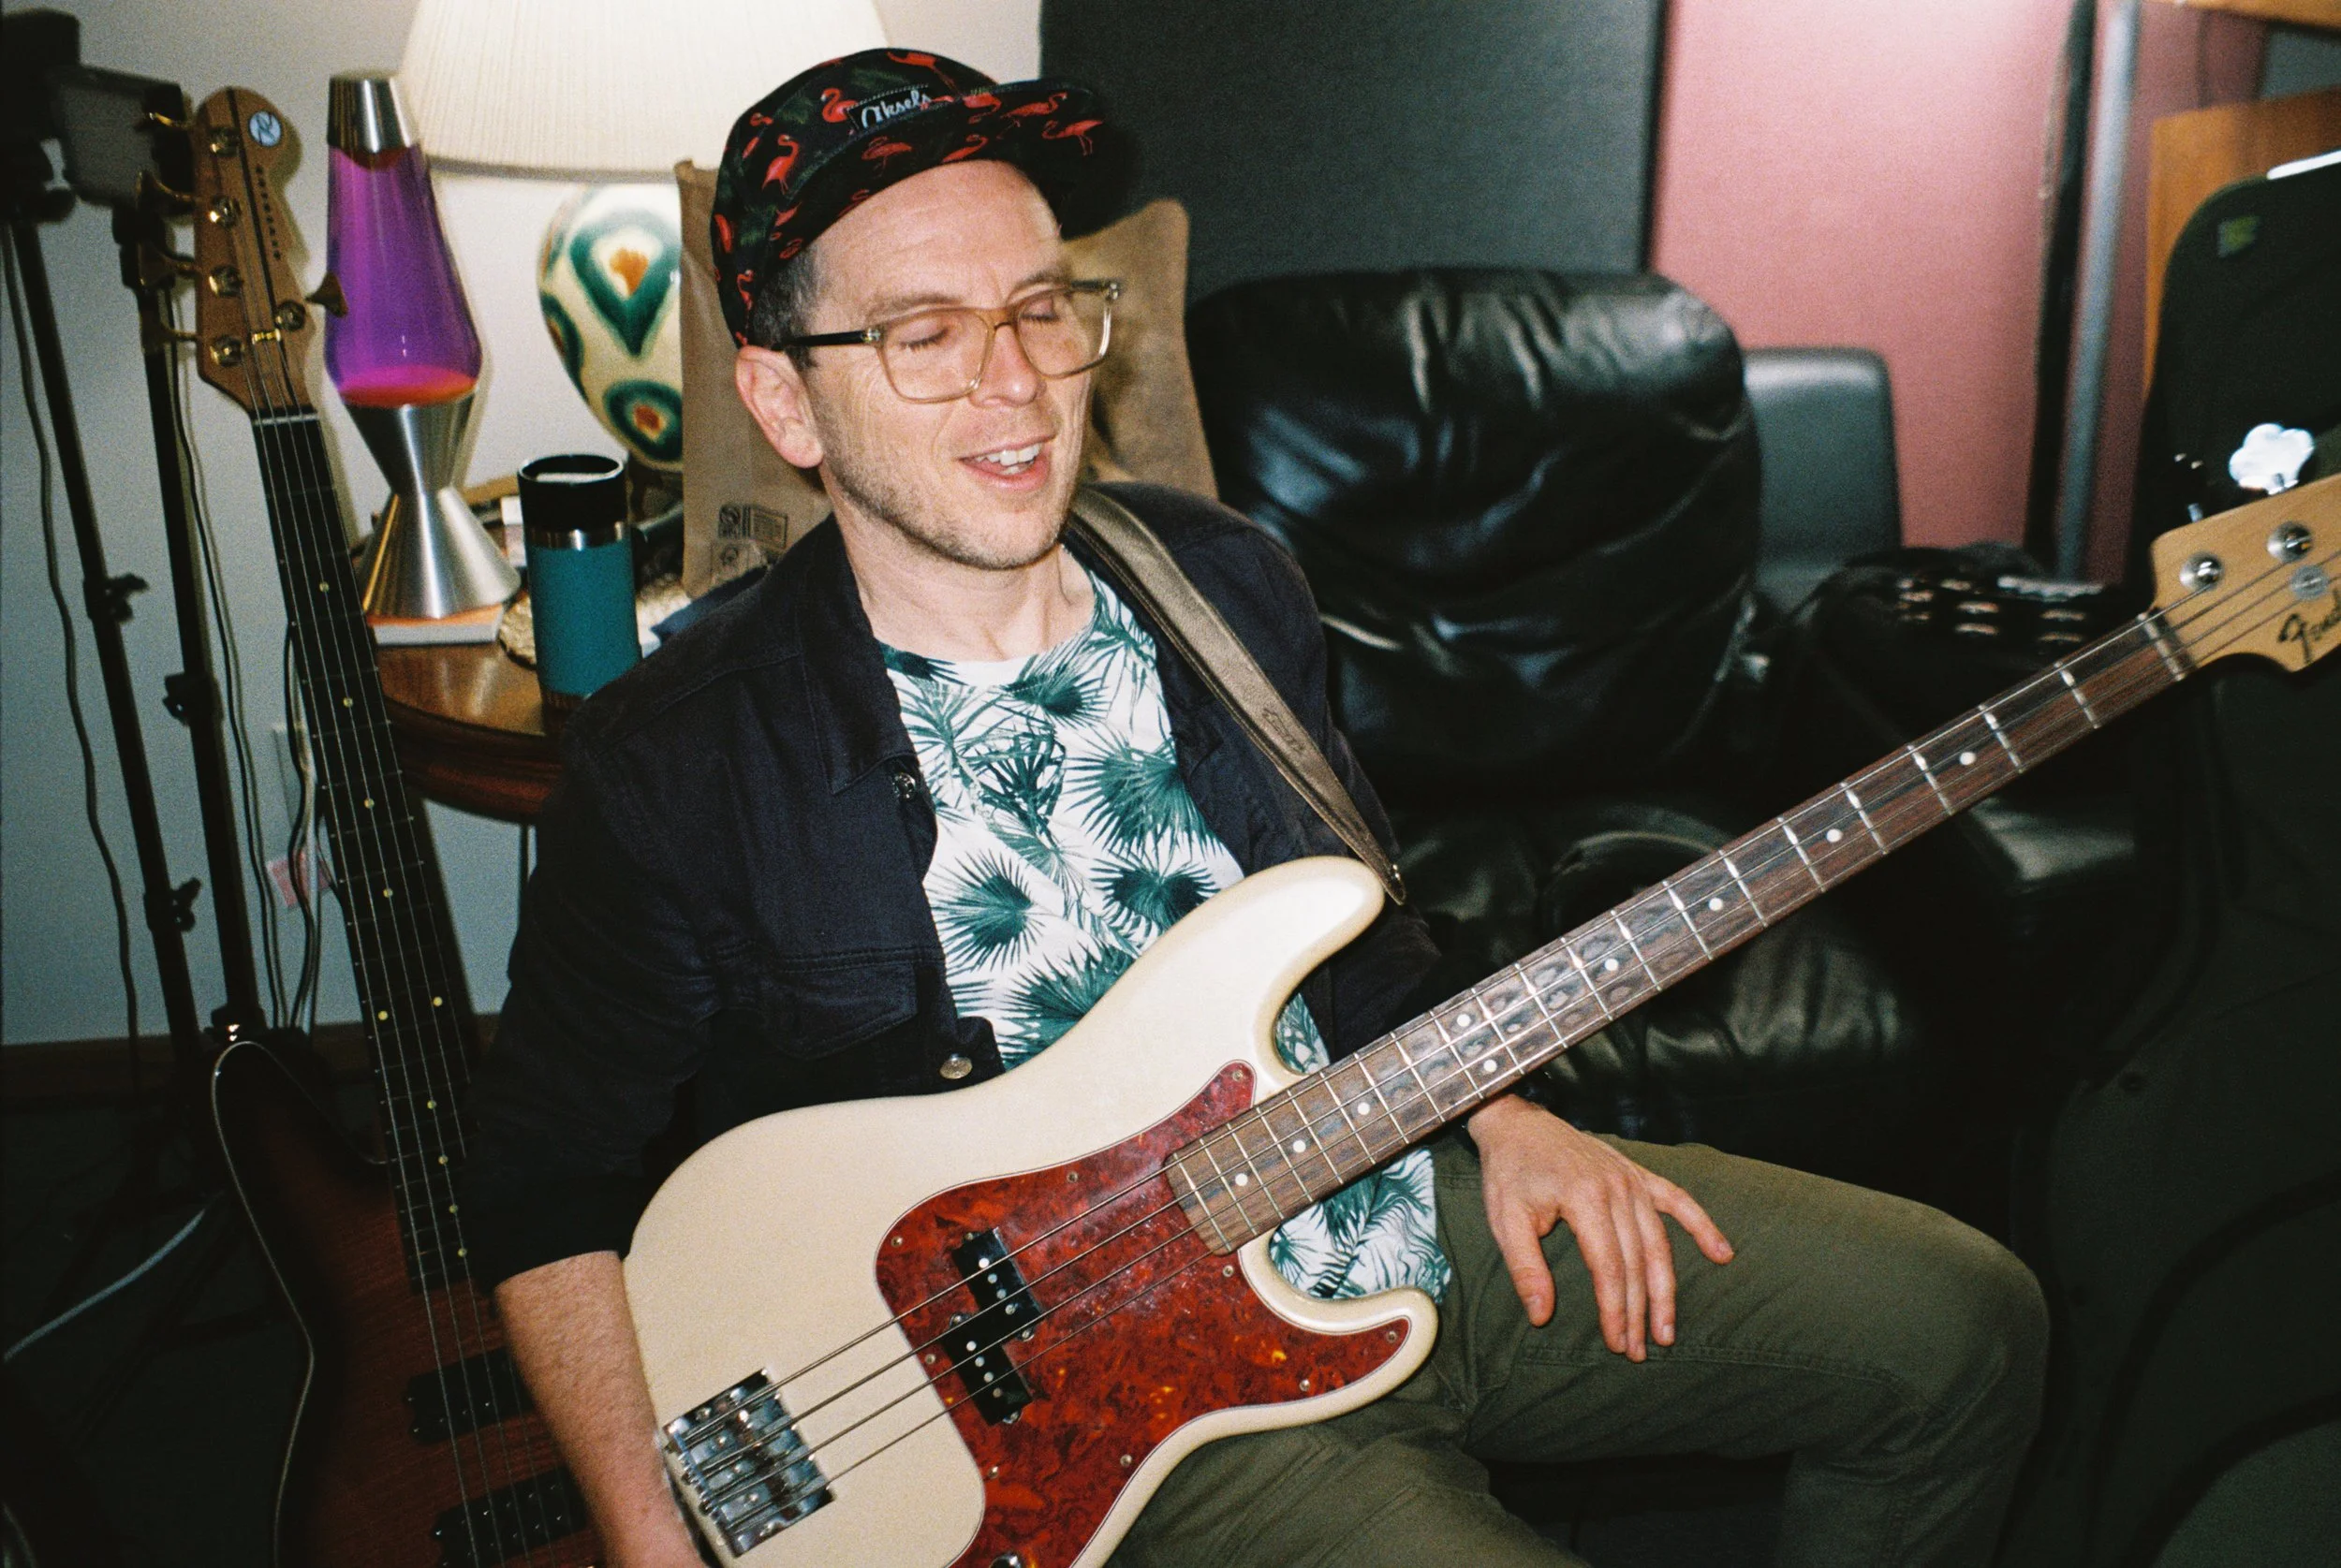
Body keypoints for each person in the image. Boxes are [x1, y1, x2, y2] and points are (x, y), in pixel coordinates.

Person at [466, 50, 2048, 1568]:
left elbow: (1366, 937)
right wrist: (647, 1529)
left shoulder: (1224, 582)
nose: (1013, 379)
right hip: (1121, 1406)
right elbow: (547, 1182)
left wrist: (1507, 1112)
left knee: (1963, 1327)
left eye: (1036, 306)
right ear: (788, 404)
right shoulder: (673, 758)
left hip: (1388, 1208)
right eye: (923, 333)